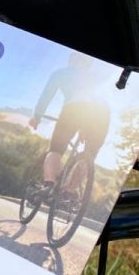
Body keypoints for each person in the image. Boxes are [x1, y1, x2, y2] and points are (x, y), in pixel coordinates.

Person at [27, 52, 111, 189]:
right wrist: (86, 126)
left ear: (72, 59)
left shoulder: (60, 73)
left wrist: (37, 117)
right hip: (102, 113)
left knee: (56, 149)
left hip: (75, 108)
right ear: (88, 64)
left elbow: (46, 97)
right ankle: (69, 193)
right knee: (88, 155)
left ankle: (49, 186)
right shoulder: (94, 76)